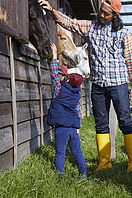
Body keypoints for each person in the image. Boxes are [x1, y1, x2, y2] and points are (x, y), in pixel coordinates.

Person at [40, 0, 132, 171]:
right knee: (100, 122)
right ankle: (104, 163)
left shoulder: (124, 33)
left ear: (115, 16)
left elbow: (130, 59)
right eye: (101, 11)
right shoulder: (91, 27)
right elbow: (70, 23)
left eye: (106, 14)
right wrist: (52, 10)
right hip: (98, 85)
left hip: (119, 84)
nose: (101, 15)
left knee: (125, 120)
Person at [47, 43, 87, 178]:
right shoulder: (77, 93)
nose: (61, 76)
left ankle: (60, 176)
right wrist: (78, 126)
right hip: (73, 128)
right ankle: (83, 173)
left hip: (61, 129)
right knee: (77, 152)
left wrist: (54, 56)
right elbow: (77, 110)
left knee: (60, 153)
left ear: (67, 80)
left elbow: (53, 73)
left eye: (64, 75)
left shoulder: (59, 88)